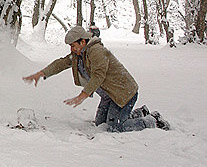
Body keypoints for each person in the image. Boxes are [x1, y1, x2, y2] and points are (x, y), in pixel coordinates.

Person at [23, 26, 170, 132]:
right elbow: (61, 63)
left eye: (73, 45)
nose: (71, 49)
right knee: (100, 125)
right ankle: (140, 112)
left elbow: (99, 75)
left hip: (123, 94)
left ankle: (152, 120)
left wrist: (83, 95)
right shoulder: (78, 55)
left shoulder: (96, 51)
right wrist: (41, 73)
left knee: (114, 127)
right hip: (109, 97)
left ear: (83, 41)